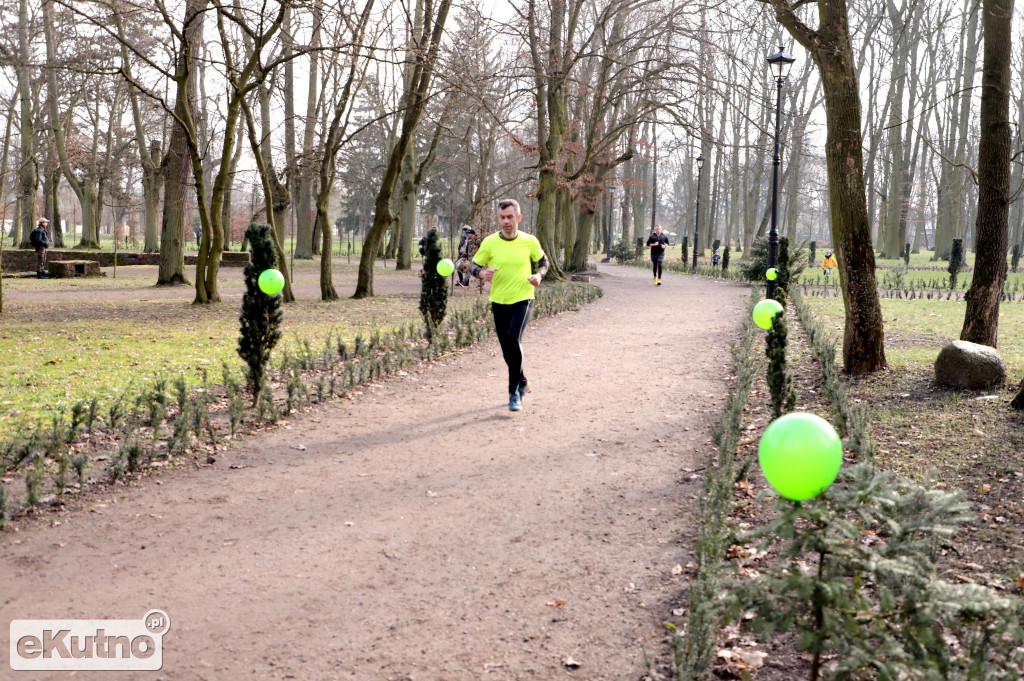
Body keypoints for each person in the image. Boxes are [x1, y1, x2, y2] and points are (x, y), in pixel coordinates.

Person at [471, 199, 548, 412]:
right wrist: (480, 273)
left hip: (523, 299)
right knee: (507, 349)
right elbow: (473, 265)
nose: (506, 221)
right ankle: (522, 380)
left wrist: (539, 276)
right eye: (502, 217)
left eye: (510, 217)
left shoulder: (529, 241)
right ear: (499, 218)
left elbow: (543, 262)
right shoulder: (489, 243)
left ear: (518, 218)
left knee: (514, 339)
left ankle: (514, 392)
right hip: (498, 301)